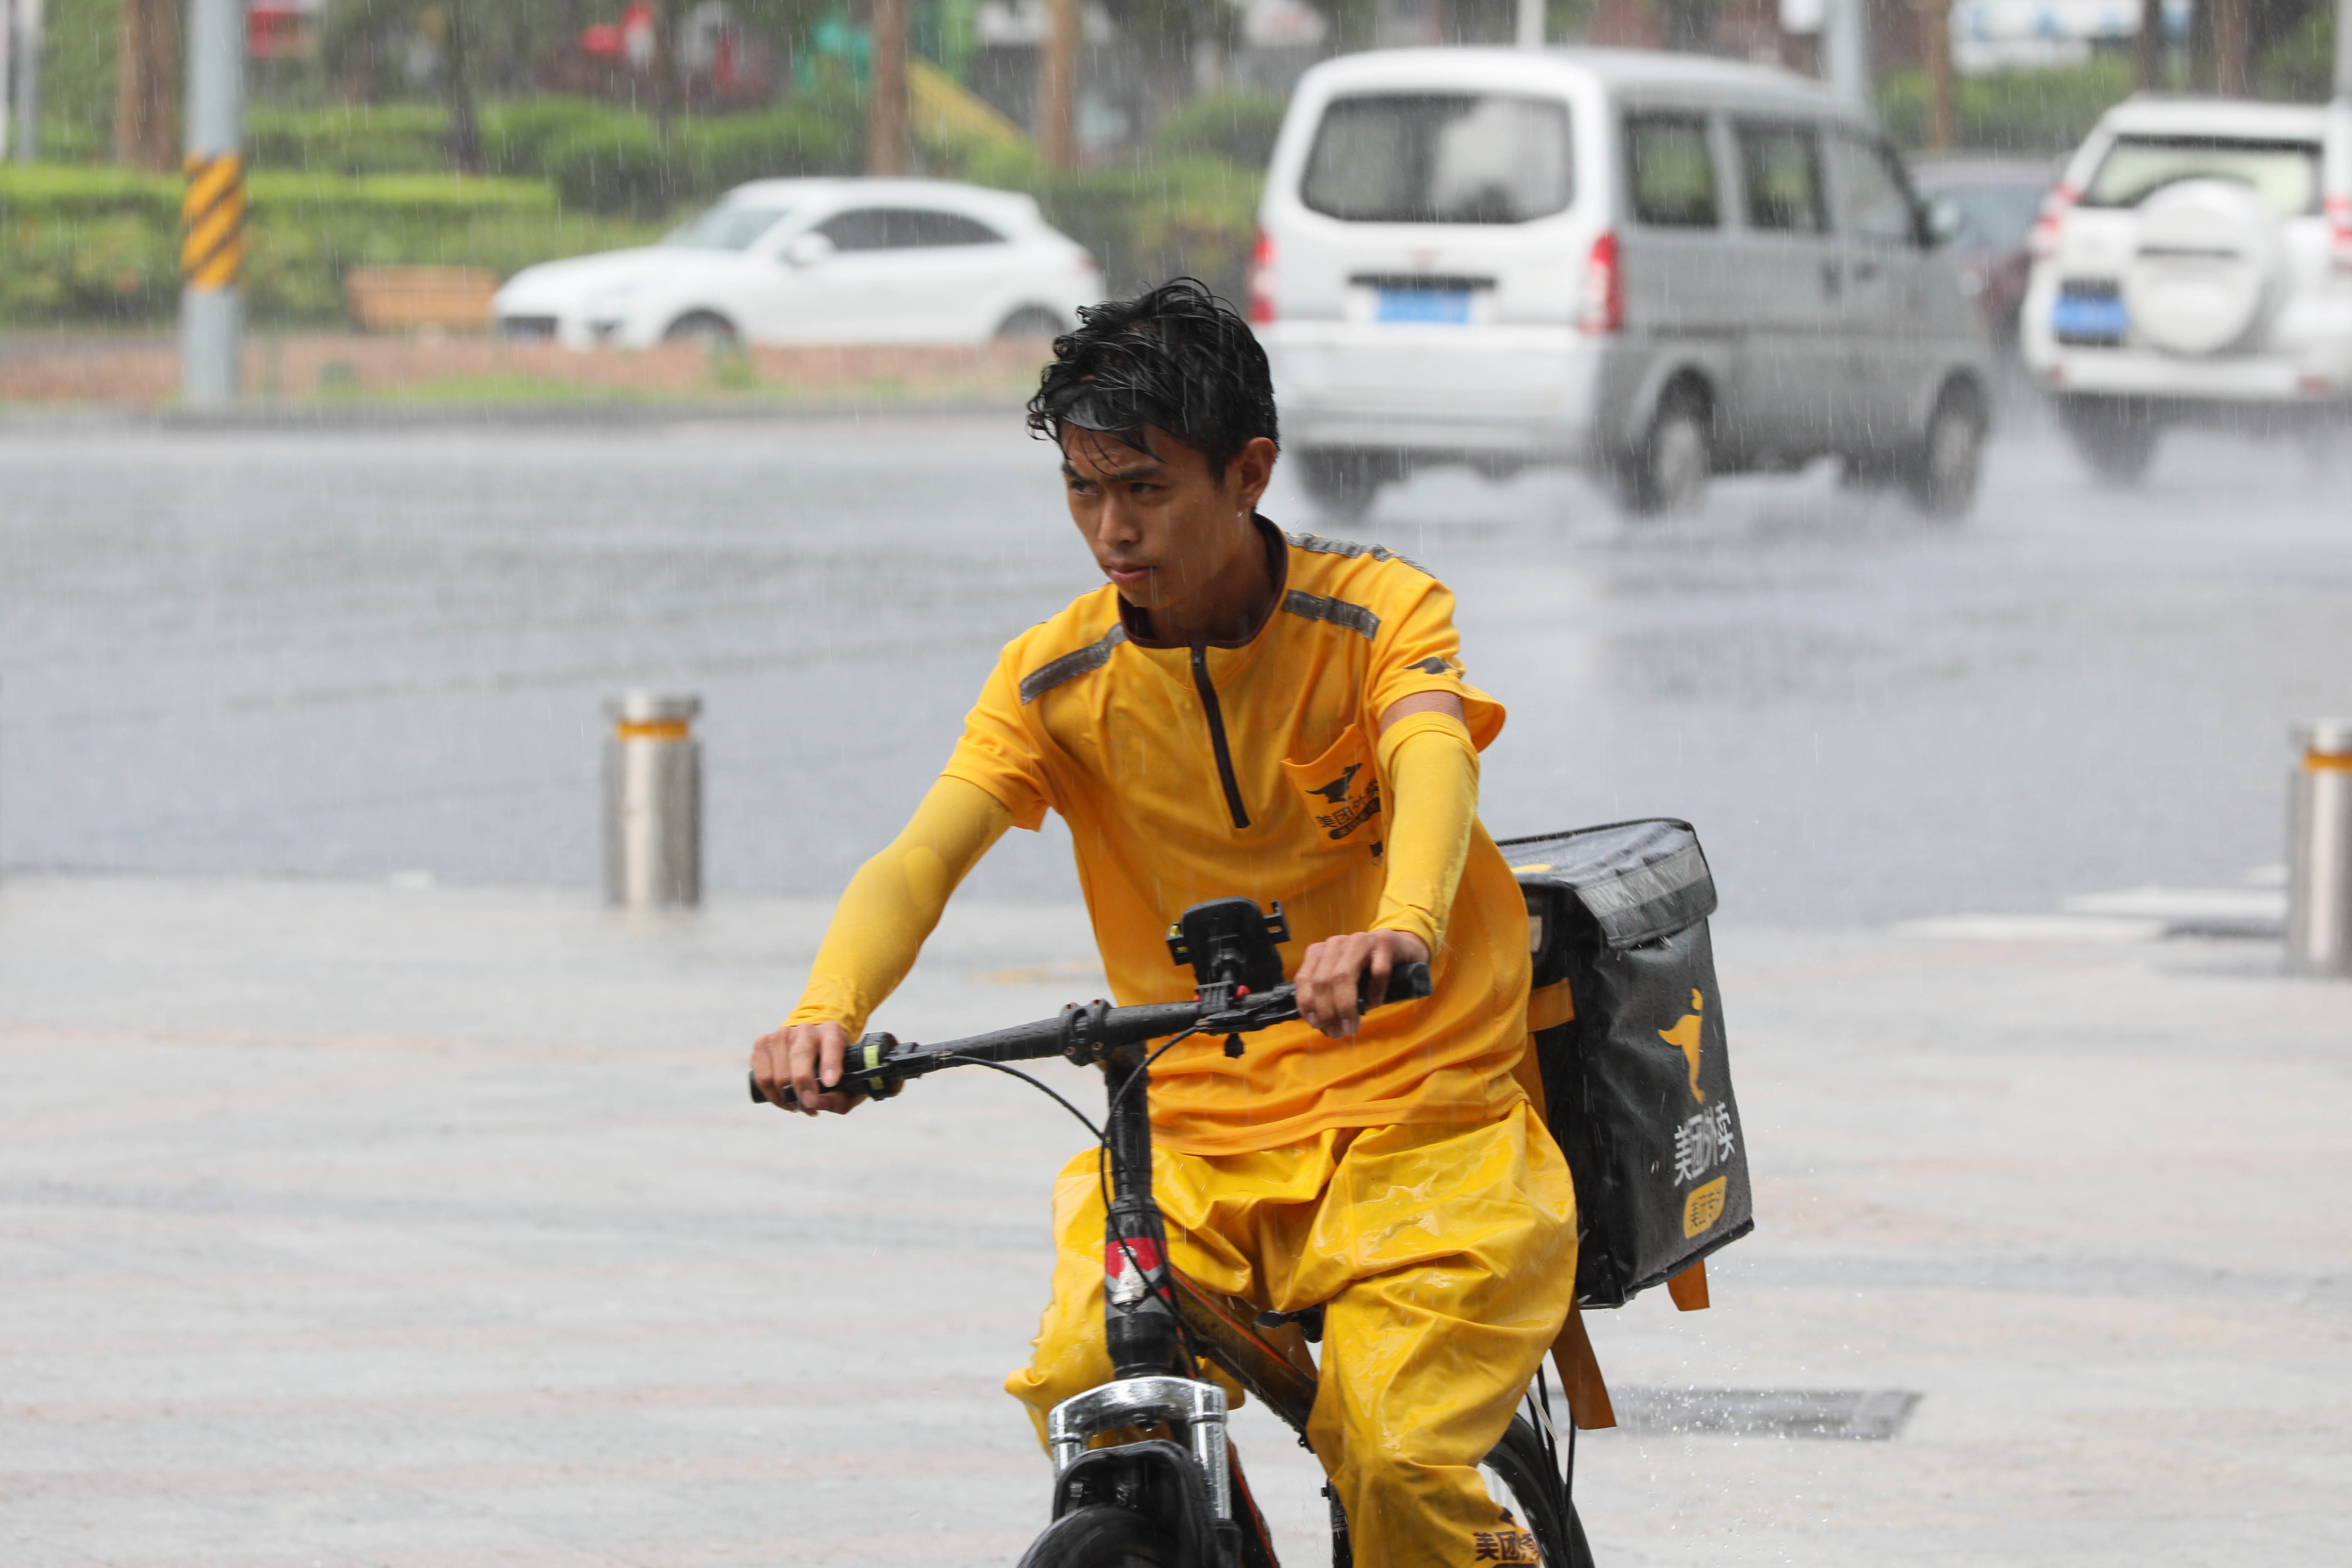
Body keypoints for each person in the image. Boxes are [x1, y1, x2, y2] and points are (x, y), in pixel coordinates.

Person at [750, 279, 1576, 1568]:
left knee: (1399, 1458)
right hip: (1191, 1138)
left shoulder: (1378, 617)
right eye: (1084, 491)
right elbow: (925, 852)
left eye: (1144, 487)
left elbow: (1432, 763)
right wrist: (827, 1010)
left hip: (1430, 1117)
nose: (1110, 530)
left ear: (1250, 472)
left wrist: (1400, 929)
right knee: (1091, 1383)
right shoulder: (1054, 677)